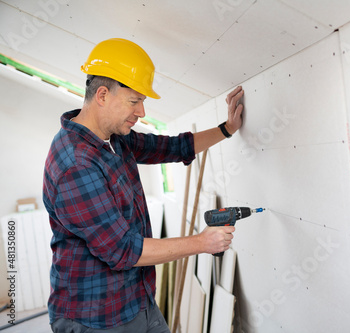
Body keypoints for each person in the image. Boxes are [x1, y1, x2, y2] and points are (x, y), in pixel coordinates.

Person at [43, 38, 244, 333]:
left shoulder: (114, 137)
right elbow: (124, 250)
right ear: (102, 95)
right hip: (95, 317)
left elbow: (172, 147)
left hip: (136, 300)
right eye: (134, 101)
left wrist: (227, 129)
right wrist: (202, 243)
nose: (142, 112)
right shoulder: (75, 164)